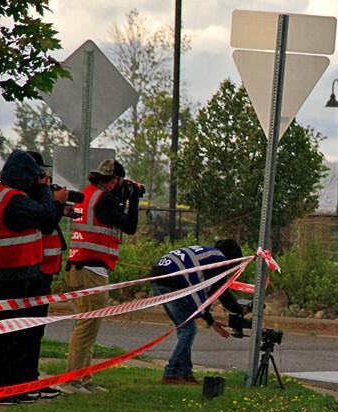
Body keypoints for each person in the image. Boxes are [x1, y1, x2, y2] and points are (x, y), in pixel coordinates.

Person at [0, 150, 68, 405]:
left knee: (11, 333)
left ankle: (11, 386)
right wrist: (51, 196)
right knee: (9, 335)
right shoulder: (14, 201)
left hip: (7, 271)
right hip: (11, 273)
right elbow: (46, 217)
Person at [63, 159, 144, 394]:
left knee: (88, 326)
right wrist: (133, 199)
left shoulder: (88, 194)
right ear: (116, 180)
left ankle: (83, 378)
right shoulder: (105, 199)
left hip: (79, 267)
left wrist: (123, 197)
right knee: (86, 327)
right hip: (91, 270)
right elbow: (129, 226)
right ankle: (71, 380)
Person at [150, 239, 249, 384]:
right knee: (189, 329)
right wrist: (237, 310)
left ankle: (185, 374)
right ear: (232, 258)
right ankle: (171, 373)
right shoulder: (220, 260)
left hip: (159, 276)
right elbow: (212, 293)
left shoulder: (208, 254)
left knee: (184, 328)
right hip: (171, 281)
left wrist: (212, 319)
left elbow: (215, 290)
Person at [27, 151, 71, 399]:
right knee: (27, 331)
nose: (45, 178)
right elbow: (45, 224)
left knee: (36, 331)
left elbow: (48, 220)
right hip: (35, 271)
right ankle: (24, 381)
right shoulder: (28, 198)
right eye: (41, 174)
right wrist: (54, 202)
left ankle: (31, 378)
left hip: (46, 270)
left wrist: (59, 208)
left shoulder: (39, 199)